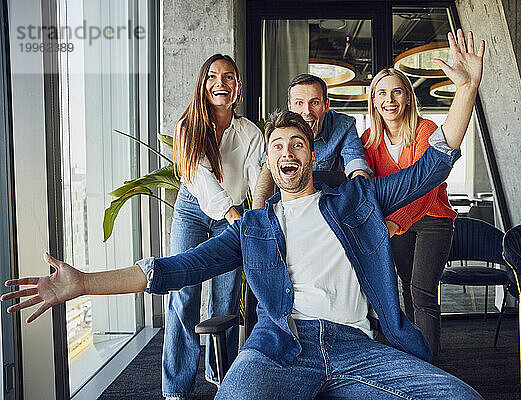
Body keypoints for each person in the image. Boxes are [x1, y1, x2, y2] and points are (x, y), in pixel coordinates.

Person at [3, 30, 484, 399]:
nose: (287, 153)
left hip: (357, 345)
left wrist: (465, 91)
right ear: (269, 163)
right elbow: (175, 269)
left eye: (298, 144)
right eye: (278, 148)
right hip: (280, 347)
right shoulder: (256, 228)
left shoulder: (356, 201)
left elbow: (434, 163)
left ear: (311, 154)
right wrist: (84, 283)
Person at [165, 54, 263, 398]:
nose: (220, 82)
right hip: (193, 211)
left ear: (238, 87)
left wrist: (261, 215)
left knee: (224, 300)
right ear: (203, 84)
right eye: (212, 76)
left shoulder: (251, 132)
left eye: (229, 77)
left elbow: (256, 178)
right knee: (184, 293)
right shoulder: (187, 126)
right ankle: (175, 387)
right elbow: (201, 179)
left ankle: (219, 374)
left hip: (233, 214)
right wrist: (234, 215)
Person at [361, 66, 457, 358]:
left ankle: (430, 366)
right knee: (406, 287)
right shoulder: (368, 139)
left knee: (422, 292)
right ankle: (417, 353)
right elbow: (370, 187)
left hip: (433, 220)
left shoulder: (425, 130)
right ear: (374, 101)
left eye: (397, 92)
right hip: (395, 225)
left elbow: (427, 187)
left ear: (407, 98)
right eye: (382, 93)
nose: (389, 99)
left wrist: (394, 222)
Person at [252, 73, 371, 209]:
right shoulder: (280, 129)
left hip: (332, 205)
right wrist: (257, 215)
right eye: (299, 103)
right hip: (290, 206)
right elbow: (267, 173)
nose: (307, 111)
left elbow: (356, 166)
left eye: (314, 102)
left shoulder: (343, 125)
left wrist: (362, 203)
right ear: (290, 106)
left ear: (326, 105)